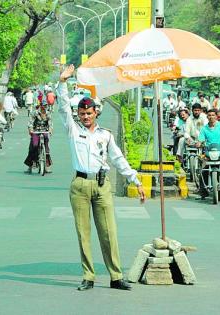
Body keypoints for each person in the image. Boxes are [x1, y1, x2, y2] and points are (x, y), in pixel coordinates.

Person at [57, 64, 145, 291]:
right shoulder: (73, 130)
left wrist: (135, 180)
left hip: (102, 184)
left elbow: (118, 159)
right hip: (79, 185)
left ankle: (116, 277)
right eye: (82, 113)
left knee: (109, 232)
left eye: (89, 113)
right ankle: (88, 276)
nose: (85, 116)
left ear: (96, 112)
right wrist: (63, 82)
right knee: (83, 233)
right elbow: (63, 107)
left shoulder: (105, 135)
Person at [24, 103, 53, 173]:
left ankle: (46, 167)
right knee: (34, 146)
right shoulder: (34, 113)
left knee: (46, 147)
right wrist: (30, 129)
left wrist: (51, 129)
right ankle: (30, 166)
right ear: (40, 106)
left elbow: (50, 123)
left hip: (45, 131)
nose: (44, 108)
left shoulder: (48, 113)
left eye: (45, 106)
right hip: (35, 131)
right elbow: (30, 122)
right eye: (43, 106)